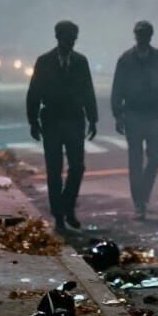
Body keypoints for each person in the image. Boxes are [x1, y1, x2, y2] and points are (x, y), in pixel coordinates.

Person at [26, 20, 98, 233]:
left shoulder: (80, 62)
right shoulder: (44, 62)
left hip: (75, 119)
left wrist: (93, 118)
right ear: (58, 38)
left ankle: (67, 205)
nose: (71, 43)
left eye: (74, 39)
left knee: (78, 167)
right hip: (53, 120)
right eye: (68, 38)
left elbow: (88, 91)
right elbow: (34, 92)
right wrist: (33, 121)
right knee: (54, 170)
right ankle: (59, 215)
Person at [111, 20, 158, 220]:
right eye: (139, 34)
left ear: (150, 36)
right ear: (136, 36)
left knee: (155, 156)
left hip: (153, 115)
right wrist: (118, 115)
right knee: (135, 160)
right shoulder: (126, 59)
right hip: (133, 114)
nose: (142, 37)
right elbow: (117, 88)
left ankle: (143, 194)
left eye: (145, 34)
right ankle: (139, 202)